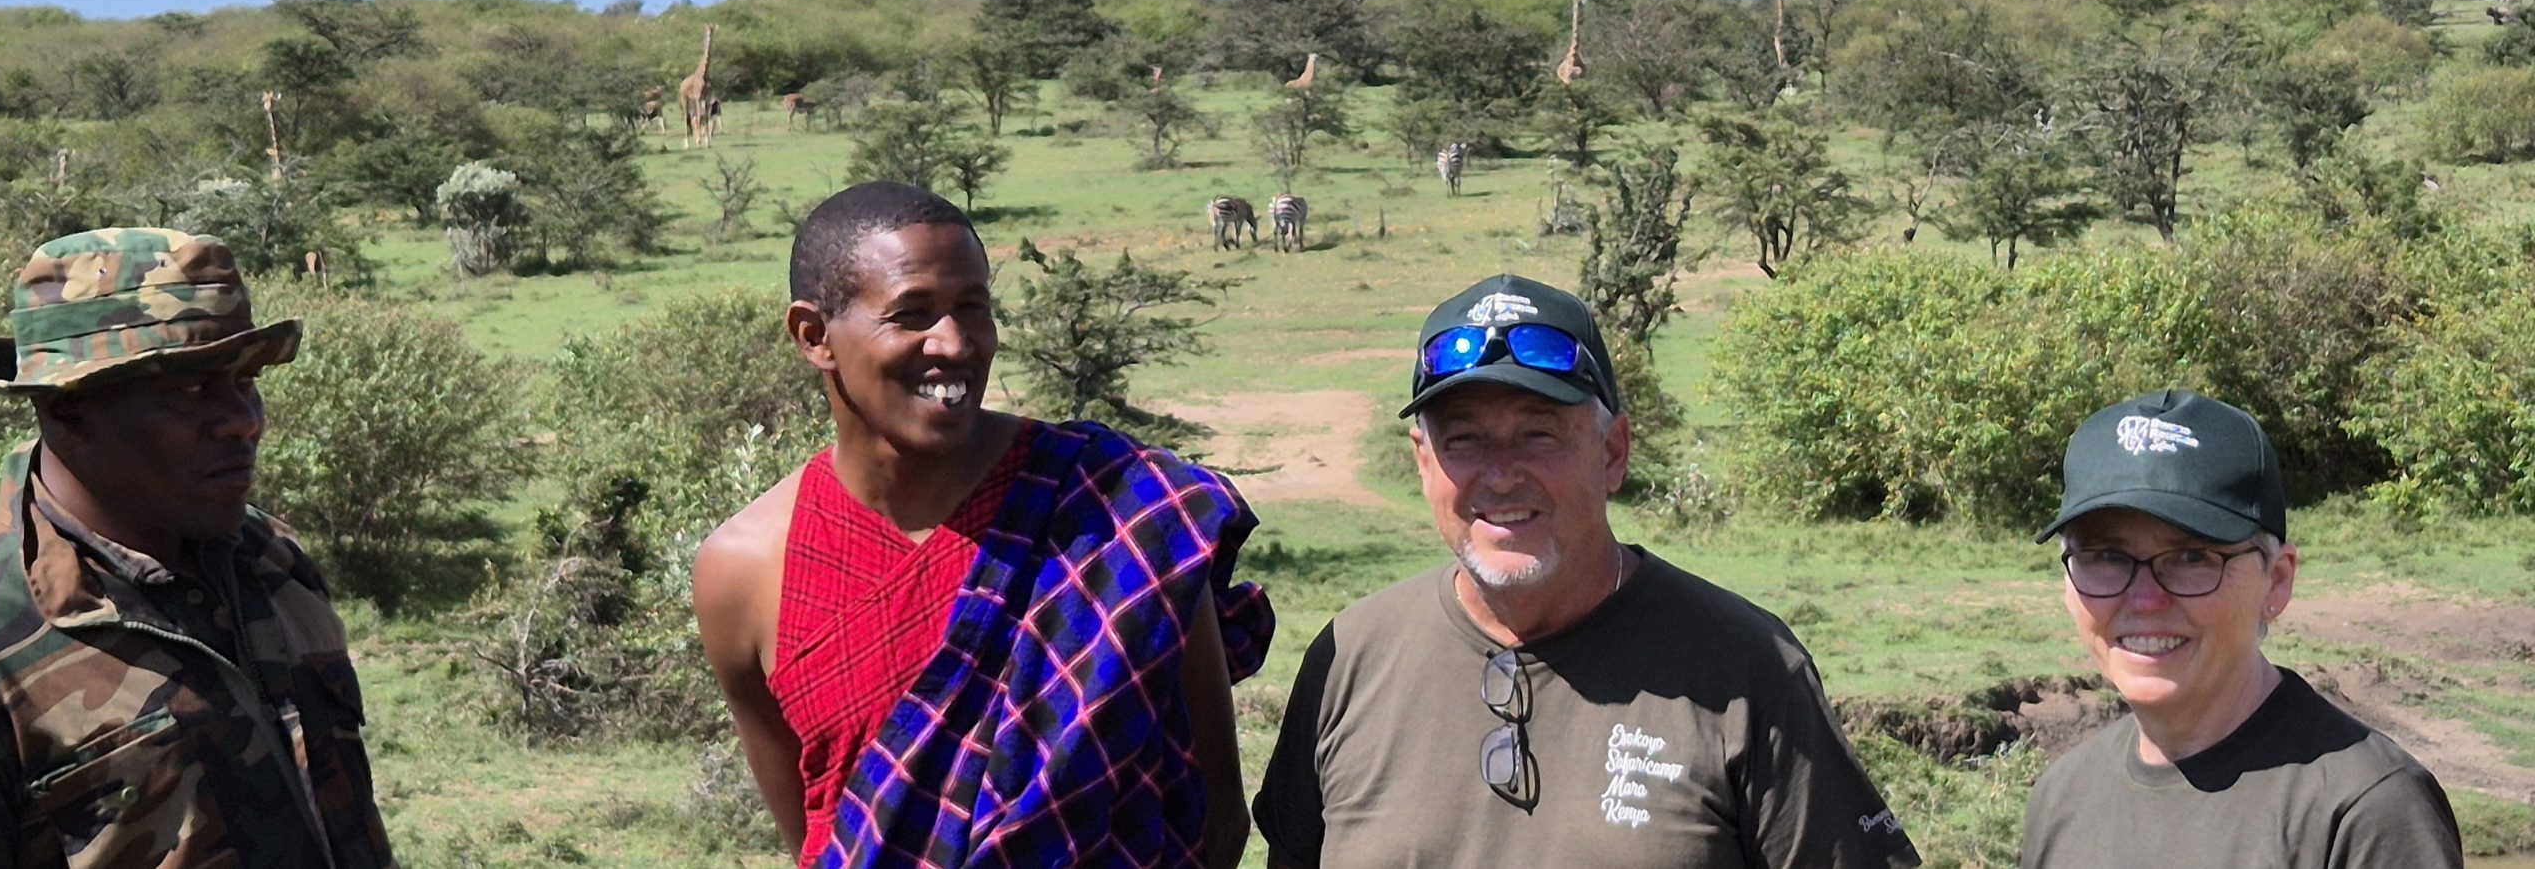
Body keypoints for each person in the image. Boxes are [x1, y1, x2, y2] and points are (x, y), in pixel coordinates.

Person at [694, 182, 1272, 867]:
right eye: (912, 315)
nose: (956, 344)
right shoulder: (745, 570)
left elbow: (1215, 818)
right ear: (814, 336)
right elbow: (827, 839)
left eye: (974, 308)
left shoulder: (1120, 511)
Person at [1254, 273, 1918, 868]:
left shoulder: (1746, 669)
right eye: (1464, 440)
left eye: (1540, 434)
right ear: (1423, 462)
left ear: (1613, 452)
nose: (1502, 473)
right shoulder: (1351, 658)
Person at [0, 228, 392, 868]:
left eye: (245, 378)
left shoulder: (269, 559)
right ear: (67, 409)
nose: (244, 419)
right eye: (188, 390)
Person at [2021, 389, 2464, 867]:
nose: (2145, 600)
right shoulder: (2062, 797)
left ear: (2276, 580)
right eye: (2106, 557)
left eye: (2192, 558)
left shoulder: (2366, 812)